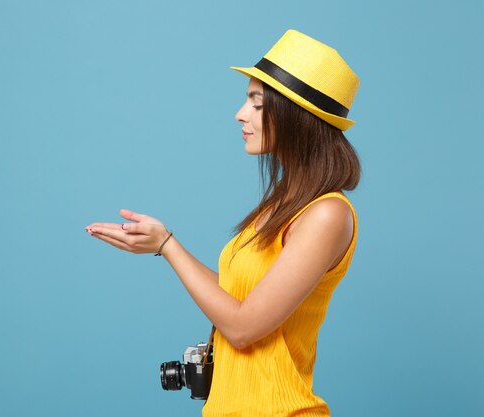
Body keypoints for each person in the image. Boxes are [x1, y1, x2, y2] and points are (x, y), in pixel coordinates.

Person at [85, 29, 361, 417]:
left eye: (256, 103)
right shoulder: (283, 203)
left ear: (296, 116)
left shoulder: (326, 214)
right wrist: (162, 244)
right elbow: (241, 302)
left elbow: (244, 327)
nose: (240, 114)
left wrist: (168, 246)